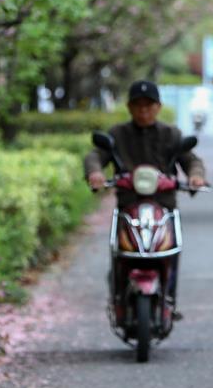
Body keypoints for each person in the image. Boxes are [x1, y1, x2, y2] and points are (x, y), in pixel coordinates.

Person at [84, 80, 206, 315]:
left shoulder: (171, 134)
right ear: (129, 108)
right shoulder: (117, 135)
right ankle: (118, 294)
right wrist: (95, 172)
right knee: (120, 250)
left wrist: (196, 176)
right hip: (130, 203)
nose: (143, 111)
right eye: (138, 106)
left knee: (171, 250)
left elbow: (191, 160)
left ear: (158, 107)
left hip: (164, 205)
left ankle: (169, 297)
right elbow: (95, 156)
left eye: (149, 106)